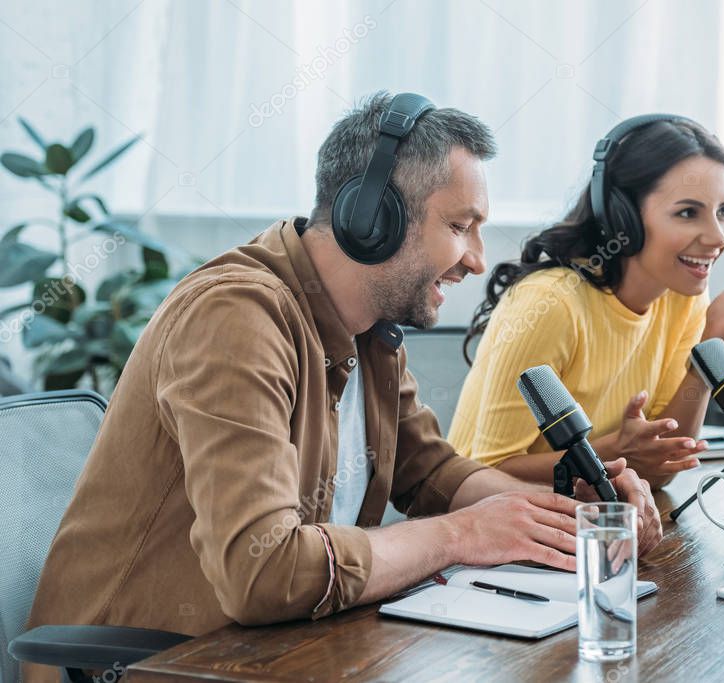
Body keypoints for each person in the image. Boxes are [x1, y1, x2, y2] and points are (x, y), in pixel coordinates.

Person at [24, 93, 661, 682]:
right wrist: (465, 533)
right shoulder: (234, 318)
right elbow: (262, 571)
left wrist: (568, 522)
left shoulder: (369, 329)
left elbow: (431, 474)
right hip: (153, 662)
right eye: (460, 225)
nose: (475, 258)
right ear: (371, 217)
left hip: (276, 652)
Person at [449, 114, 724, 491]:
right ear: (623, 217)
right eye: (688, 213)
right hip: (490, 531)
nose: (718, 237)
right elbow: (479, 471)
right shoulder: (551, 304)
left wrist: (709, 347)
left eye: (723, 211)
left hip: (593, 522)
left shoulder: (682, 299)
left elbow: (663, 467)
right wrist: (614, 450)